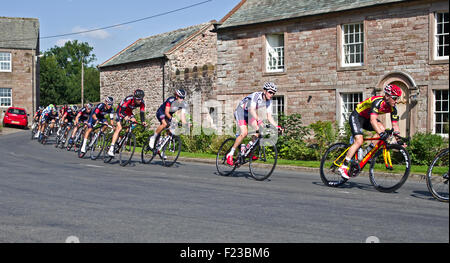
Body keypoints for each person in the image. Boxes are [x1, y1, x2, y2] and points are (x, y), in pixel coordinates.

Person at [338, 84, 403, 179]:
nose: (396, 101)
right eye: (394, 98)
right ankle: (343, 166)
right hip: (357, 116)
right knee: (359, 140)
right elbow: (373, 120)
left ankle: (367, 152)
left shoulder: (393, 108)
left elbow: (395, 126)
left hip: (366, 119)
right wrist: (381, 134)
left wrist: (399, 140)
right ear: (387, 96)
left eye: (398, 98)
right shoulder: (377, 102)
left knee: (382, 129)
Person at [226, 82, 282, 166]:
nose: (271, 94)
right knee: (244, 133)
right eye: (270, 92)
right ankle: (230, 154)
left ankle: (248, 149)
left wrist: (277, 126)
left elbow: (269, 117)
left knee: (259, 131)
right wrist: (259, 120)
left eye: (273, 93)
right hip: (241, 111)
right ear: (265, 91)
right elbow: (252, 110)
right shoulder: (256, 95)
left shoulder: (268, 102)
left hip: (249, 114)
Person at [107, 89, 147, 157]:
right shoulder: (129, 99)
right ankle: (111, 147)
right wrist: (125, 117)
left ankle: (125, 136)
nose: (140, 101)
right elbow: (122, 110)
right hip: (120, 111)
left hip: (129, 112)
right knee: (119, 128)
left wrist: (143, 121)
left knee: (134, 122)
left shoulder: (142, 103)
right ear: (134, 98)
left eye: (141, 99)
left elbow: (142, 113)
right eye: (138, 99)